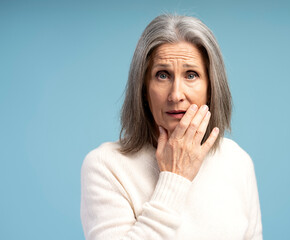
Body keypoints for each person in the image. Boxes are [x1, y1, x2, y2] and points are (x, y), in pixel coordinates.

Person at [80, 14, 263, 240]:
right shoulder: (105, 166)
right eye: (162, 75)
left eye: (191, 75)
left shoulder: (238, 162)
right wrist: (174, 179)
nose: (176, 95)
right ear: (144, 89)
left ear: (211, 89)